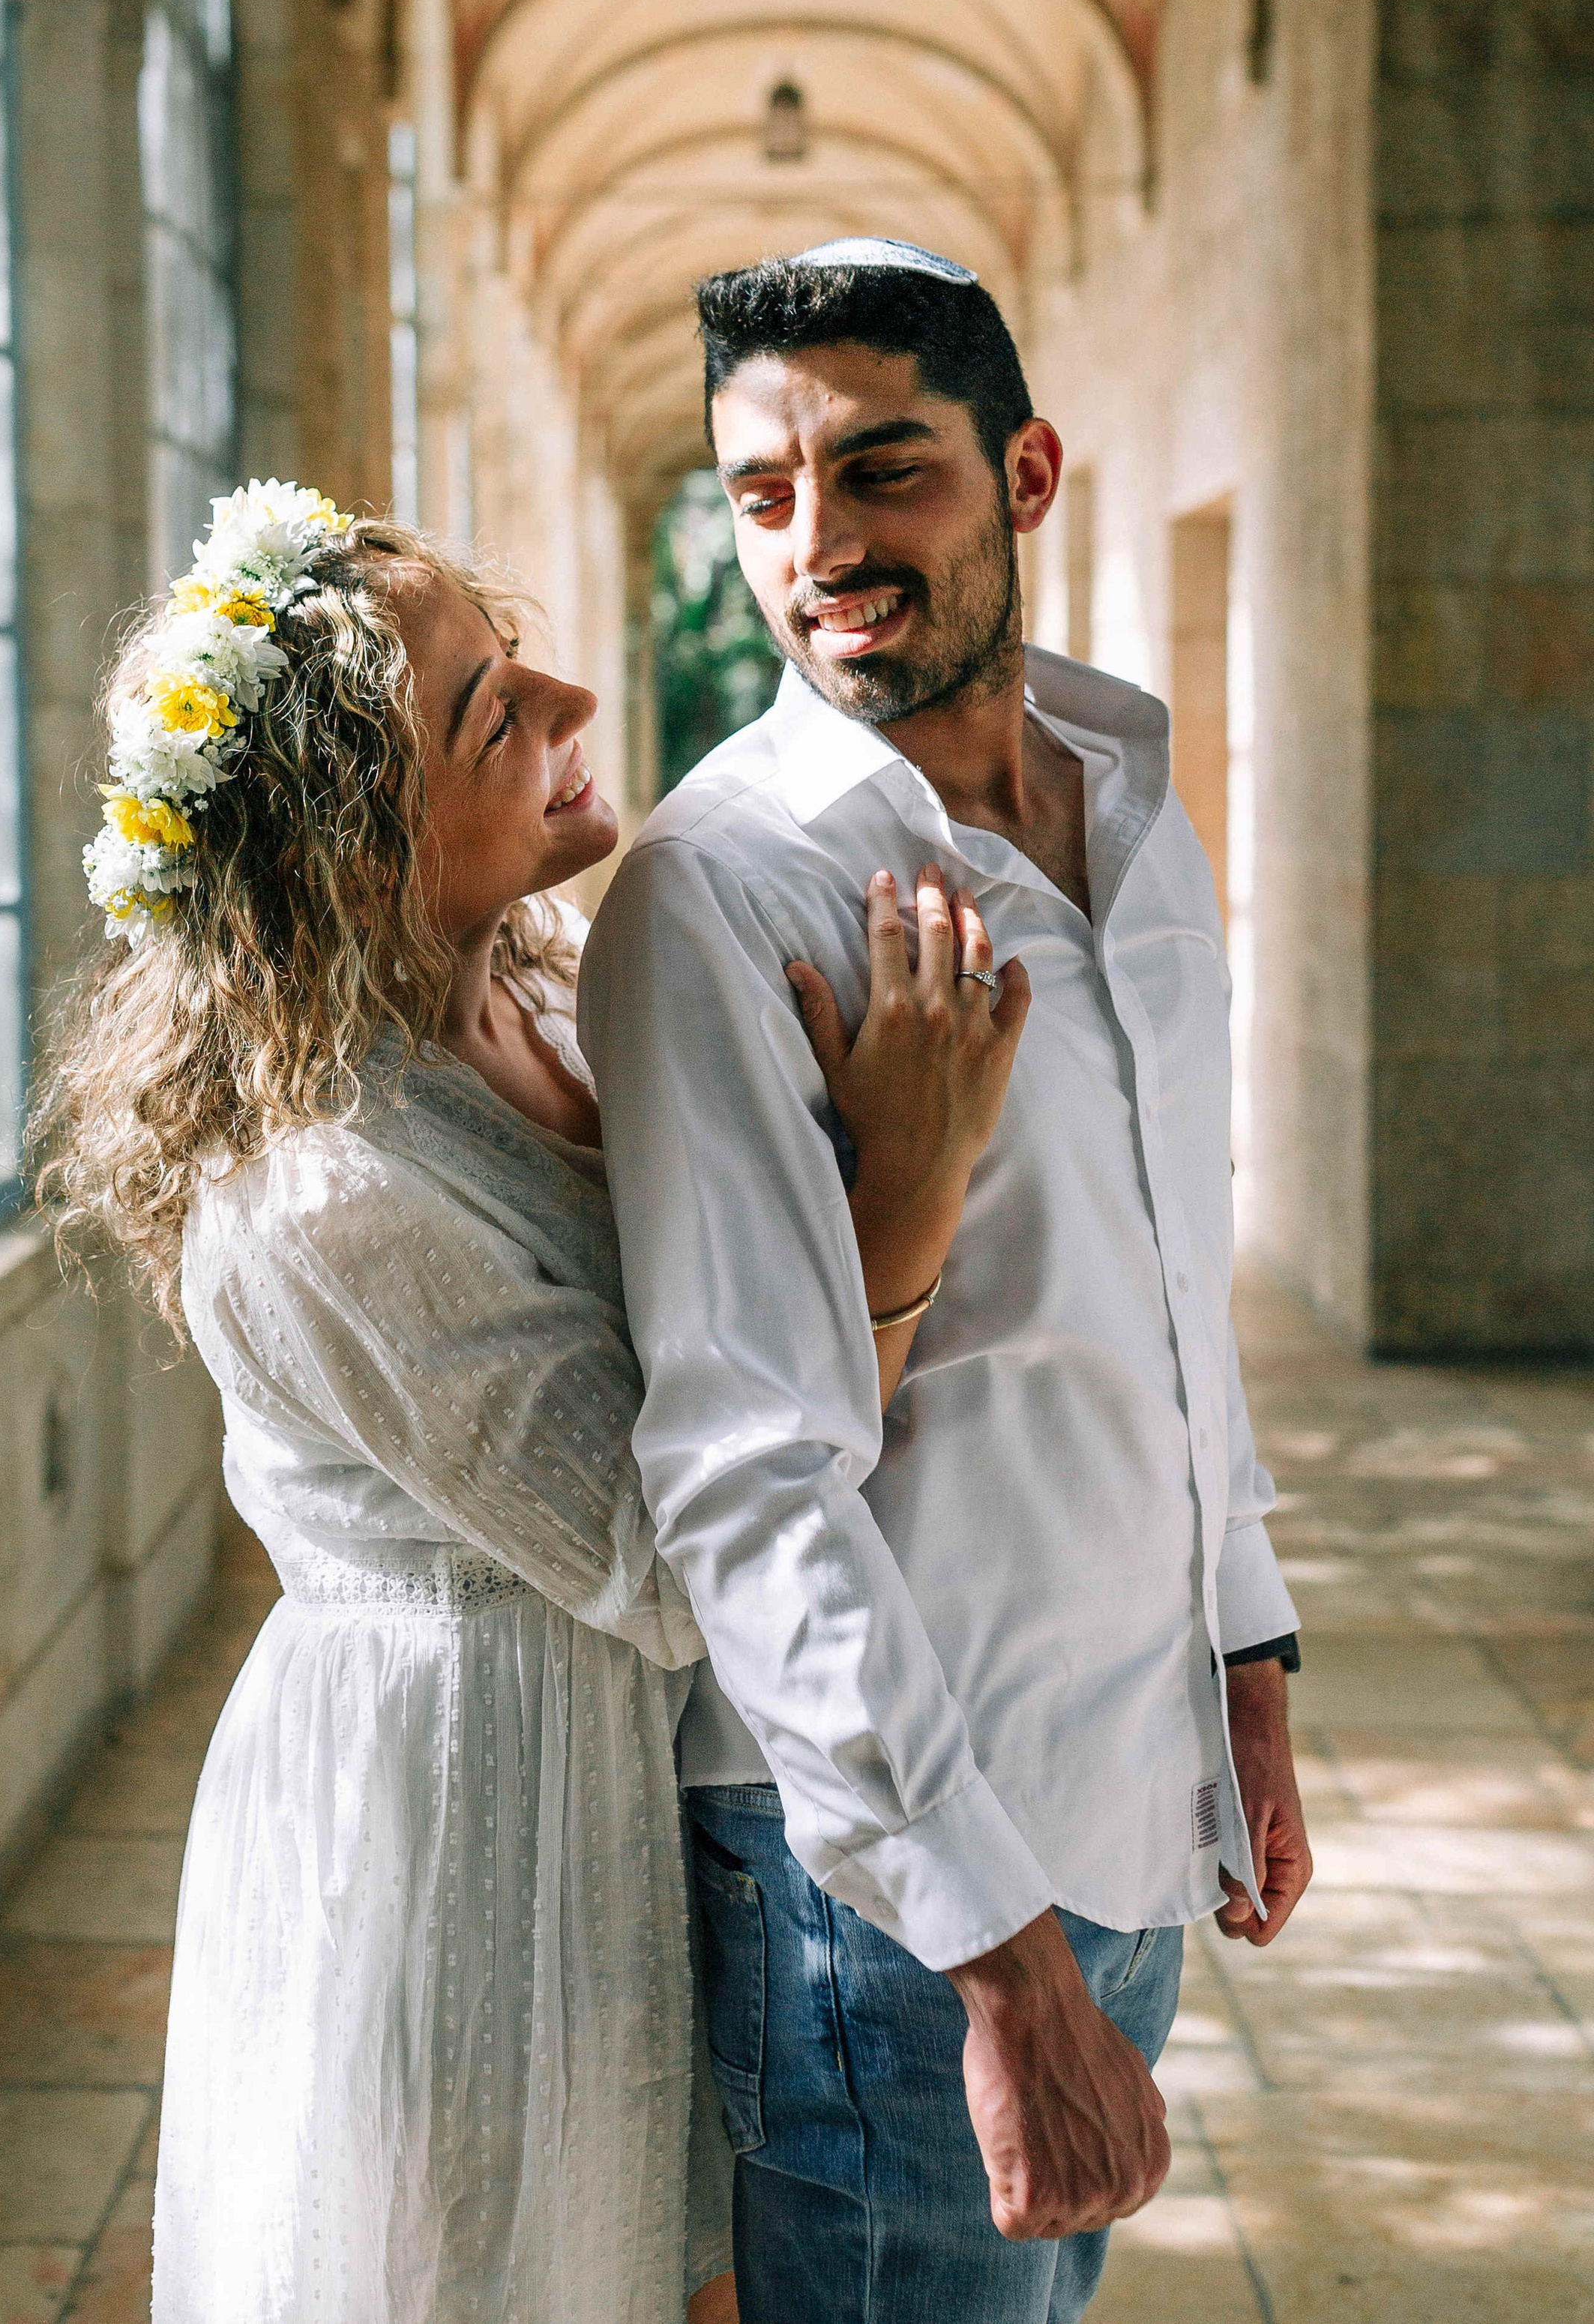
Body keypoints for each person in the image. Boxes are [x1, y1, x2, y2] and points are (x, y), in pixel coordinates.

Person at [33, 480, 1029, 2324]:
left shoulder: (555, 1000)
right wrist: (906, 1190)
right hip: (458, 1816)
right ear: (354, 843)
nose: (572, 705)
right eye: (494, 710)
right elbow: (673, 1564)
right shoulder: (324, 1193)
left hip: (617, 1767)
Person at [580, 241, 1313, 2324]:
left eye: (881, 470)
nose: (818, 548)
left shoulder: (1131, 801)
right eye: (762, 493)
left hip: (1132, 1774)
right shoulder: (726, 895)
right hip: (895, 1894)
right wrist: (997, 1963)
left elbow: (1174, 1270)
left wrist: (1250, 1652)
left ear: (1028, 470)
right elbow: (742, 1471)